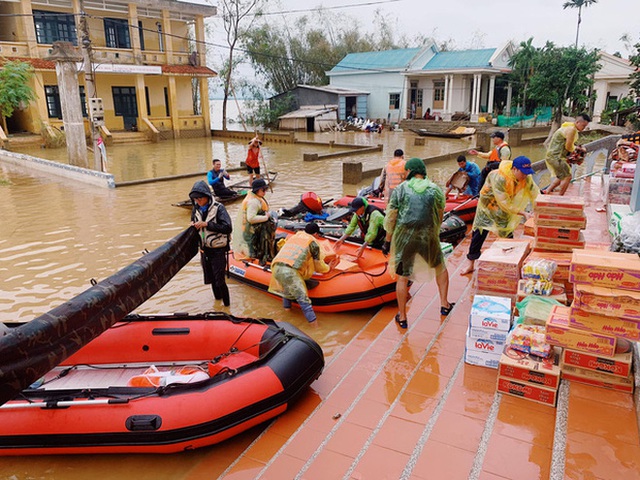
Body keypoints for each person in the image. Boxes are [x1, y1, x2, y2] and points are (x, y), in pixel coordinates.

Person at [383, 157, 454, 329]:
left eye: (406, 171)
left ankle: (403, 317)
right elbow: (439, 212)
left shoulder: (400, 189)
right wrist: (433, 233)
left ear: (410, 171)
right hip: (428, 236)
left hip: (405, 238)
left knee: (402, 276)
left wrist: (387, 240)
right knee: (440, 268)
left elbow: (391, 216)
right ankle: (444, 304)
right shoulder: (435, 189)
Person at [461, 156, 540, 275]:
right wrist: (523, 213)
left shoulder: (526, 178)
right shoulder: (499, 177)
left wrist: (539, 209)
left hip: (503, 209)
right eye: (523, 173)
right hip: (488, 206)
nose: (525, 176)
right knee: (479, 233)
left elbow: (535, 193)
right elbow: (504, 202)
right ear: (514, 169)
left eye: (527, 173)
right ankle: (470, 264)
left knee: (507, 233)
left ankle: (510, 263)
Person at [268, 222, 336, 323]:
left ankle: (287, 315)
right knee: (304, 301)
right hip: (290, 271)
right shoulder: (313, 243)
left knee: (286, 292)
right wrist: (329, 268)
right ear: (316, 234)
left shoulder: (295, 236)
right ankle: (315, 328)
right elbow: (319, 266)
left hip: (276, 266)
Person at [189, 180, 233, 307]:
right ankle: (218, 304)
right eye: (195, 199)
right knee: (211, 279)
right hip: (205, 249)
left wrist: (207, 224)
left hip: (218, 249)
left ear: (207, 196)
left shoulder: (219, 208)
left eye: (200, 198)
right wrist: (193, 225)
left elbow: (227, 227)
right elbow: (193, 222)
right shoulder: (195, 209)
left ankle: (227, 307)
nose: (198, 201)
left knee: (220, 280)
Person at [542, 113, 591, 195]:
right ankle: (560, 196)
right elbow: (569, 147)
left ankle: (547, 190)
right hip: (557, 157)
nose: (584, 128)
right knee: (567, 176)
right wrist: (579, 149)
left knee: (562, 175)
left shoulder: (568, 127)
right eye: (583, 126)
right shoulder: (571, 129)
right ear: (577, 122)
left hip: (553, 156)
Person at [233, 178, 276, 265]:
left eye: (266, 189)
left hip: (252, 228)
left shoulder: (256, 198)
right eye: (263, 189)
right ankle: (260, 257)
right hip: (251, 230)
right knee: (260, 244)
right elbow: (251, 218)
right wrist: (266, 217)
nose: (265, 192)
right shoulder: (253, 202)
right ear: (257, 190)